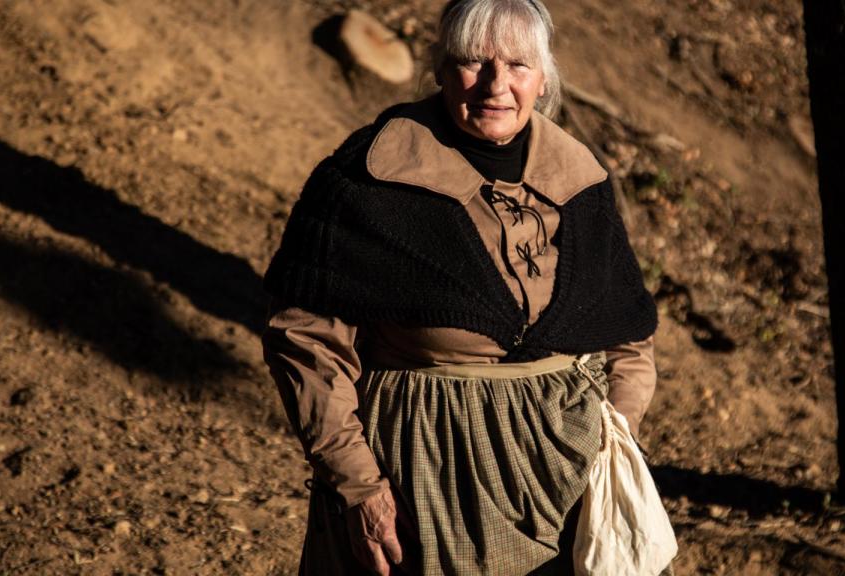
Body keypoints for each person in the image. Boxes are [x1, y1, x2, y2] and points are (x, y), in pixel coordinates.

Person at [261, 0, 665, 573]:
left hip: (567, 478)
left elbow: (627, 336)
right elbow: (306, 342)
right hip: (425, 471)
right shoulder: (366, 179)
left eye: (519, 66)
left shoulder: (581, 180)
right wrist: (358, 485)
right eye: (475, 62)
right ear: (441, 68)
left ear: (544, 77)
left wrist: (611, 448)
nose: (497, 85)